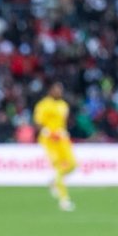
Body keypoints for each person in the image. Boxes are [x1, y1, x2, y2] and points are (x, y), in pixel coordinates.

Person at [33, 82, 77, 212]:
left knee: (73, 164)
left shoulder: (63, 105)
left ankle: (53, 181)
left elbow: (63, 122)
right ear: (51, 91)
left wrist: (63, 131)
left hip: (62, 139)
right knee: (59, 166)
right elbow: (38, 122)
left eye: (61, 90)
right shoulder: (43, 105)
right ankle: (64, 199)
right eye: (57, 90)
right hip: (49, 140)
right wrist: (47, 131)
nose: (59, 92)